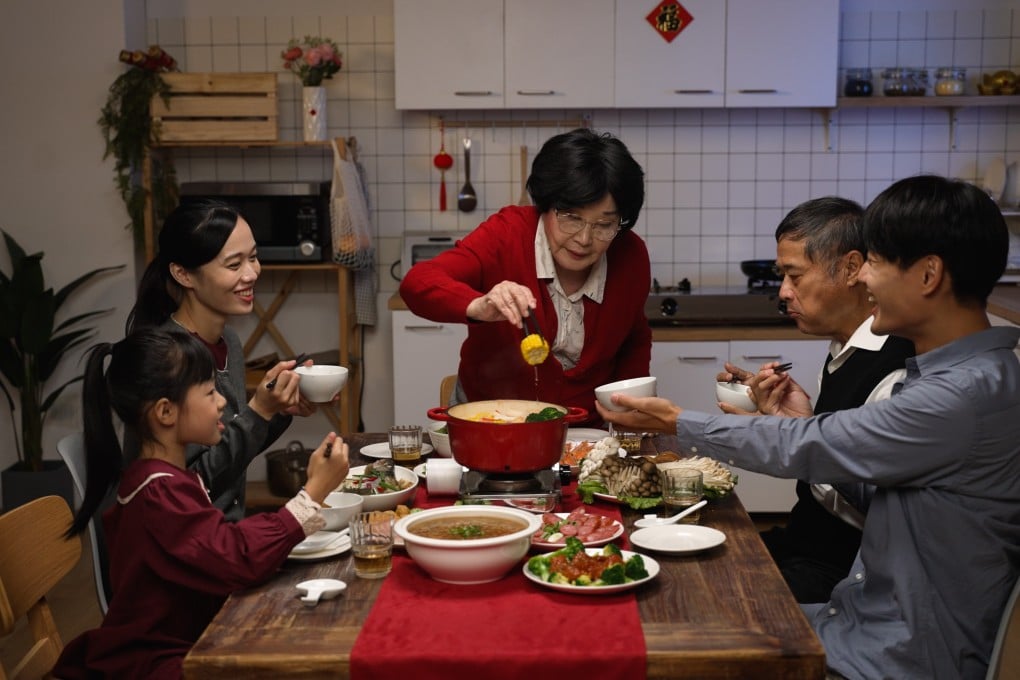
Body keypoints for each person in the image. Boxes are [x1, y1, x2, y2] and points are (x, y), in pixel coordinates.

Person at [597, 175, 1020, 679]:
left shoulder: (960, 396)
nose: (863, 279)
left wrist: (675, 421)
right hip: (855, 619)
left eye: (877, 263)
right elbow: (882, 487)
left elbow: (815, 444)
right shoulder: (959, 377)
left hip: (893, 657)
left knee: (670, 634)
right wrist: (804, 426)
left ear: (928, 276)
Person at [52, 328, 349, 678]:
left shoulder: (168, 479)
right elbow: (236, 557)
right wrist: (311, 495)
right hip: (161, 665)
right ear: (166, 412)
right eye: (209, 392)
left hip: (195, 640)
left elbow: (218, 544)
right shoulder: (158, 495)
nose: (222, 401)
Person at [716, 197, 915, 604]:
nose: (783, 293)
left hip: (846, 574)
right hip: (803, 545)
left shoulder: (895, 368)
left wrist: (793, 439)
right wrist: (796, 428)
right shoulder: (846, 346)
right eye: (781, 276)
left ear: (851, 268)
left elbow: (883, 512)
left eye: (795, 276)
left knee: (716, 597)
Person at [399, 128, 651, 424]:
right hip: (488, 419)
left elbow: (633, 337)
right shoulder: (507, 234)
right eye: (571, 217)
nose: (584, 238)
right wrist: (479, 306)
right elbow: (418, 283)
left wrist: (629, 416)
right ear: (544, 205)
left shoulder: (630, 255)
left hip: (586, 430)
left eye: (604, 224)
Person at [127, 200, 315, 521]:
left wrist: (278, 410)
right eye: (233, 265)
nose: (251, 273)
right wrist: (260, 411)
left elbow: (229, 448)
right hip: (193, 540)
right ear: (183, 274)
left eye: (253, 257)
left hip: (227, 529)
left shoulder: (229, 341)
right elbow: (194, 482)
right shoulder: (169, 360)